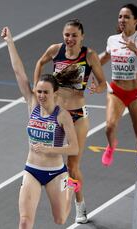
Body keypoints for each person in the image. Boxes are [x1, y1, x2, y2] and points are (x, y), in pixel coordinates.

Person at [1, 26, 80, 229]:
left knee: (60, 219)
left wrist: (49, 149)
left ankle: (71, 187)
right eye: (39, 92)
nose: (41, 96)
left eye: (45, 92)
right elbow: (19, 72)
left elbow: (74, 148)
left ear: (54, 93)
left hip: (56, 172)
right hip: (32, 170)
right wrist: (10, 42)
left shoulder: (62, 116)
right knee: (25, 222)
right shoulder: (32, 105)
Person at [33, 19, 106, 224]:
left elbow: (103, 83)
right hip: (56, 114)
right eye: (67, 35)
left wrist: (96, 89)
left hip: (77, 115)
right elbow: (40, 62)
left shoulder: (89, 55)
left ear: (82, 36)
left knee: (73, 165)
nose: (70, 39)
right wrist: (36, 87)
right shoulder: (56, 50)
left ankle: (79, 204)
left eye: (74, 35)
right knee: (48, 159)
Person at [100, 3, 137, 183]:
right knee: (109, 126)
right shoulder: (112, 39)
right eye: (120, 17)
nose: (122, 20)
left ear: (136, 21)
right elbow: (105, 58)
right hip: (116, 92)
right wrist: (87, 70)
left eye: (126, 17)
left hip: (136, 94)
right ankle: (111, 145)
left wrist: (136, 51)